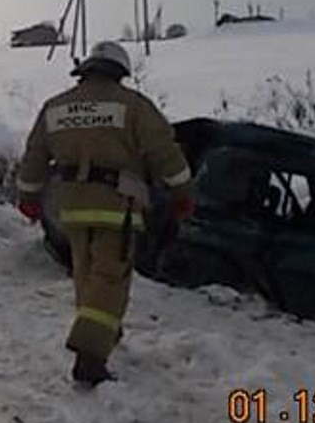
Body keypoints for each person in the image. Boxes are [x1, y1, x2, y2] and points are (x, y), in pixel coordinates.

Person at [15, 40, 194, 386]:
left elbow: (34, 156)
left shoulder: (55, 107)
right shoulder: (133, 106)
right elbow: (164, 153)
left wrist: (29, 197)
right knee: (110, 278)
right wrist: (182, 193)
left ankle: (104, 332)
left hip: (70, 206)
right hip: (116, 204)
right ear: (119, 72)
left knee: (85, 274)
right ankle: (90, 358)